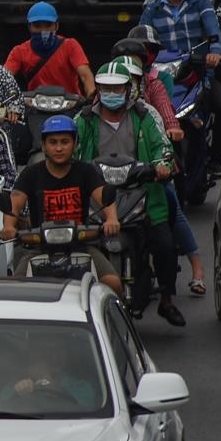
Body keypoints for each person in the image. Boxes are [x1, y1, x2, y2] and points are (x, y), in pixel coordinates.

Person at [79, 56, 181, 322]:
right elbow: (72, 149)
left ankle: (166, 299)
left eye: (117, 88)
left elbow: (163, 147)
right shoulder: (85, 118)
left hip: (143, 191)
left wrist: (163, 165)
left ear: (128, 88)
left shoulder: (145, 115)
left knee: (166, 245)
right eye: (105, 88)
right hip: (98, 195)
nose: (111, 94)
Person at [3, 115, 122, 288]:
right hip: (39, 248)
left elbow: (104, 195)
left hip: (81, 245)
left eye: (65, 142)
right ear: (43, 145)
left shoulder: (86, 171)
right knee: (15, 290)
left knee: (112, 282)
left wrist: (112, 219)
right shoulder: (31, 173)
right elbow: (15, 202)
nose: (59, 148)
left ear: (74, 144)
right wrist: (9, 226)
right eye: (53, 142)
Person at [136, 0, 221, 163]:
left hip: (199, 73)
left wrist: (214, 54)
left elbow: (214, 33)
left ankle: (216, 158)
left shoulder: (201, 2)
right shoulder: (152, 8)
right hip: (164, 76)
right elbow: (142, 39)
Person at [6, 0, 95, 97]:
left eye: (48, 25)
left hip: (70, 107)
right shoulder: (19, 52)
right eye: (37, 26)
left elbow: (85, 75)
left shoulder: (70, 46)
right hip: (34, 107)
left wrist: (92, 98)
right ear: (29, 27)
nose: (43, 30)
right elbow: (4, 77)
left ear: (56, 26)